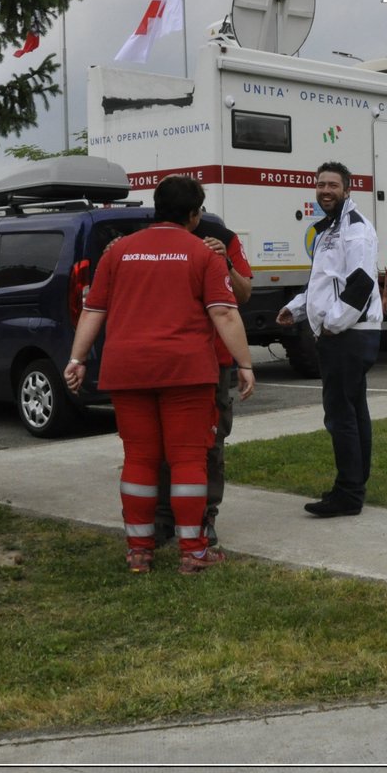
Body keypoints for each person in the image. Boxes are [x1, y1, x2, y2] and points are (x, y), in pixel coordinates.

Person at [65, 176, 256, 575]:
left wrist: (77, 358)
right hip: (185, 370)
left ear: (155, 207)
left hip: (127, 368)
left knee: (138, 458)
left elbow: (94, 310)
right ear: (193, 214)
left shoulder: (118, 251)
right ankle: (193, 551)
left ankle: (139, 551)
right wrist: (245, 363)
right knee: (188, 459)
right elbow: (223, 312)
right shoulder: (202, 253)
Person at [277, 162, 381, 517]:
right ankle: (354, 484)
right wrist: (298, 308)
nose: (325, 190)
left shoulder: (355, 230)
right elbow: (325, 281)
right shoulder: (328, 230)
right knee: (353, 411)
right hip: (344, 333)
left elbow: (361, 284)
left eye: (333, 185)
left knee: (340, 415)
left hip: (349, 335)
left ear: (347, 190)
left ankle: (348, 493)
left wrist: (332, 323)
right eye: (320, 184)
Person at [151, 218, 252, 551]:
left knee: (210, 443)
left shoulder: (221, 236)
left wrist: (225, 261)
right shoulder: (153, 238)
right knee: (162, 443)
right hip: (168, 358)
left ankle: (205, 516)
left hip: (214, 362)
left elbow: (244, 294)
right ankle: (164, 518)